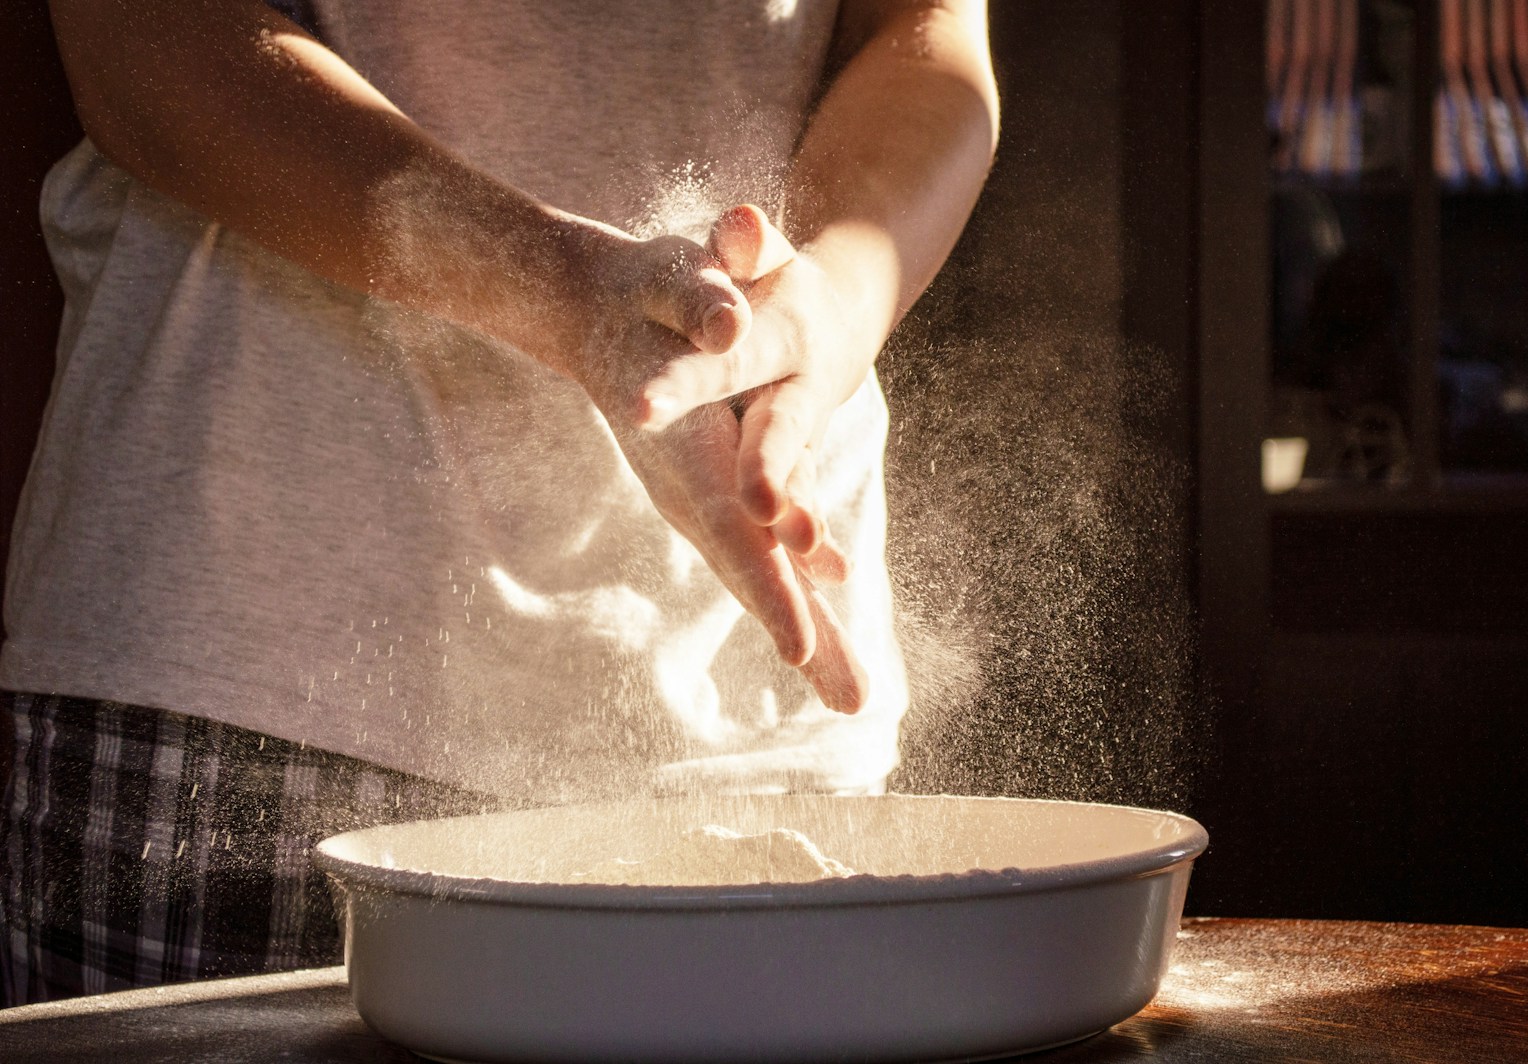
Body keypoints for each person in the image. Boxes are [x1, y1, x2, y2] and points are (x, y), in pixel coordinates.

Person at [1, 0, 998, 1004]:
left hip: (745, 715)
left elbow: (925, 37)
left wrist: (830, 300)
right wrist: (559, 284)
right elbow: (141, 40)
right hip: (247, 685)